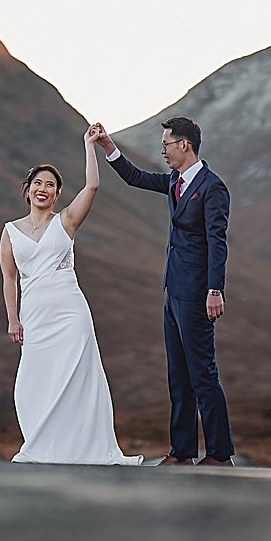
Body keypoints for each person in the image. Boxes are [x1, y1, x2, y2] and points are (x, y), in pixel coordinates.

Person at [91, 117, 235, 467]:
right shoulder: (174, 181)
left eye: (167, 145)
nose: (163, 151)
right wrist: (108, 147)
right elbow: (136, 177)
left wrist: (214, 289)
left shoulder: (212, 188)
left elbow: (218, 242)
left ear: (184, 145)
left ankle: (219, 453)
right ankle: (182, 451)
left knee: (202, 372)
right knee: (178, 374)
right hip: (173, 290)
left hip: (198, 292)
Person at [0, 125, 143, 465]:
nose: (43, 189)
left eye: (50, 184)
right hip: (34, 317)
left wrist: (89, 145)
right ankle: (43, 444)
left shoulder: (66, 222)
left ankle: (85, 448)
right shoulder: (10, 232)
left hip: (71, 314)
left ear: (58, 193)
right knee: (34, 380)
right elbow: (9, 278)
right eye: (38, 183)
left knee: (78, 379)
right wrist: (12, 319)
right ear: (27, 190)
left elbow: (92, 185)